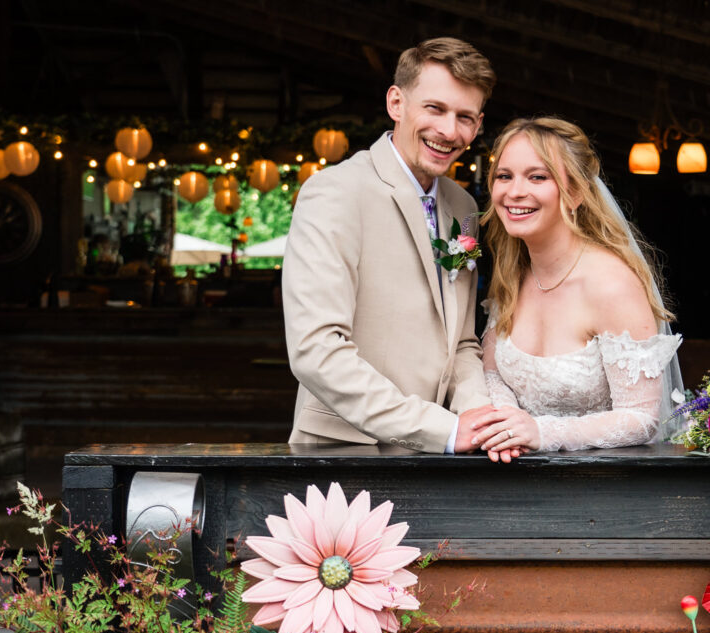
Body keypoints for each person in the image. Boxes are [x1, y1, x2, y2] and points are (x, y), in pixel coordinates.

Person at [282, 37, 498, 453]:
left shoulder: (464, 206)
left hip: (445, 454)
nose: (449, 131)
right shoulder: (334, 192)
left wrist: (477, 418)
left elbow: (463, 341)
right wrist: (443, 430)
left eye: (465, 117)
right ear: (396, 103)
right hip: (348, 450)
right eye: (434, 108)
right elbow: (316, 351)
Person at [471, 117, 684, 459]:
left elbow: (641, 419)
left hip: (595, 491)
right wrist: (508, 425)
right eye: (504, 176)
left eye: (537, 176)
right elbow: (492, 372)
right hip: (510, 478)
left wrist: (541, 431)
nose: (514, 191)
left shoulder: (612, 286)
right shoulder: (513, 271)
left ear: (575, 193)